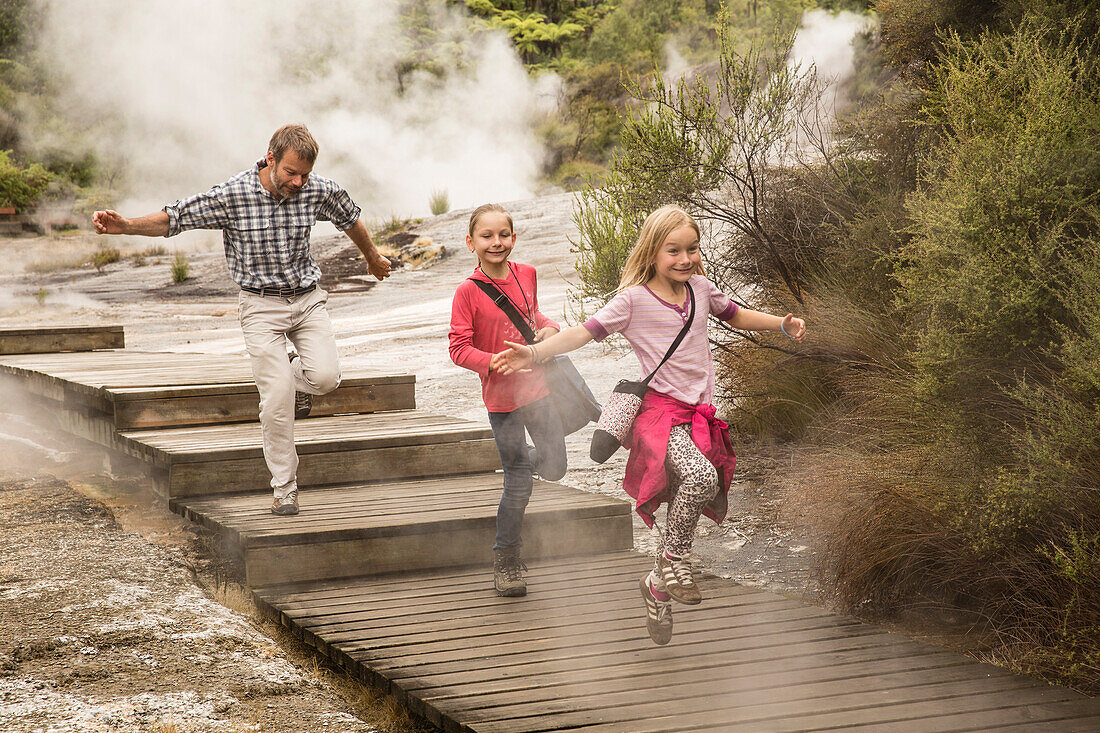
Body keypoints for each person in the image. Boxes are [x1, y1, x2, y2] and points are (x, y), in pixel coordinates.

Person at [492, 204, 806, 644]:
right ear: (653, 253)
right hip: (659, 415)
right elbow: (583, 332)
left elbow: (734, 314)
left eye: (692, 249)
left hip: (699, 416)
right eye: (673, 251)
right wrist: (534, 353)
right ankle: (676, 559)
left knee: (703, 484)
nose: (685, 259)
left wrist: (781, 324)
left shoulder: (700, 289)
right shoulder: (633, 300)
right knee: (699, 478)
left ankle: (657, 584)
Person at [92, 123, 391, 517]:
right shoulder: (234, 194)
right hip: (260, 306)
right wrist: (126, 226)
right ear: (271, 159)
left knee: (325, 379)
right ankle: (285, 489)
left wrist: (372, 256)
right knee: (276, 400)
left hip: (307, 299)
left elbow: (349, 218)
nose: (298, 181)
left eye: (304, 174)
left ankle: (294, 379)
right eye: (290, 172)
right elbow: (176, 217)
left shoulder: (318, 189)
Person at [449, 203, 568, 597]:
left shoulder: (528, 274)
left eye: (503, 235)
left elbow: (533, 317)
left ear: (514, 238)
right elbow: (459, 348)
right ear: (471, 243)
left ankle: (517, 464)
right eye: (487, 236)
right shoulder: (467, 291)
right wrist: (493, 362)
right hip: (502, 402)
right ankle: (507, 559)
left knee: (555, 467)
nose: (496, 242)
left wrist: (550, 329)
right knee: (518, 485)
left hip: (540, 391)